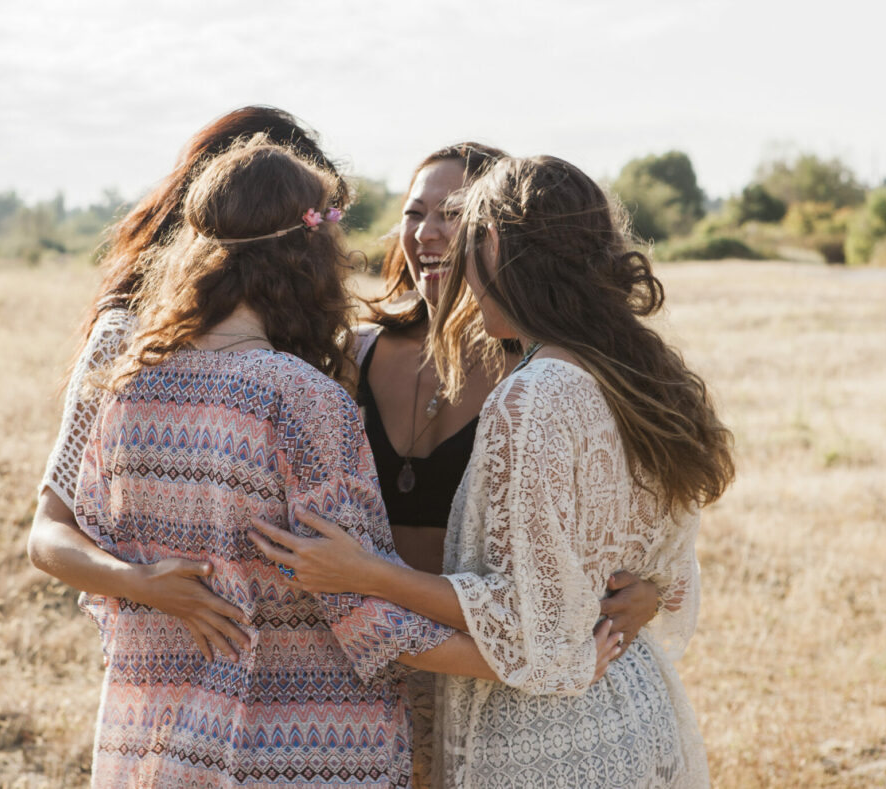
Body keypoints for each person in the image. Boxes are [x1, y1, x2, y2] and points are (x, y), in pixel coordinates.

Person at [71, 139, 625, 787]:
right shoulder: (301, 396)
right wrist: (548, 661)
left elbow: (104, 567)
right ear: (308, 250)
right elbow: (362, 613)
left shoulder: (126, 386)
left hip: (158, 741)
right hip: (299, 746)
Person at [251, 154, 735, 787]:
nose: (453, 264)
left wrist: (365, 573)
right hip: (637, 716)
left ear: (498, 244)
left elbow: (532, 626)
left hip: (545, 742)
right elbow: (664, 565)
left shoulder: (536, 394)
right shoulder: (639, 373)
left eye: (465, 230)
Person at [353, 143, 662, 786]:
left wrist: (648, 589)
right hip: (368, 667)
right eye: (415, 213)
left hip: (494, 674)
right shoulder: (348, 354)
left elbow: (624, 519)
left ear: (499, 238)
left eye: (455, 214)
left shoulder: (538, 370)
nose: (432, 232)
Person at [29, 105, 347, 661]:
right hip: (164, 665)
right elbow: (48, 534)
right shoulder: (128, 337)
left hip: (291, 677)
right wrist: (137, 582)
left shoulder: (299, 340)